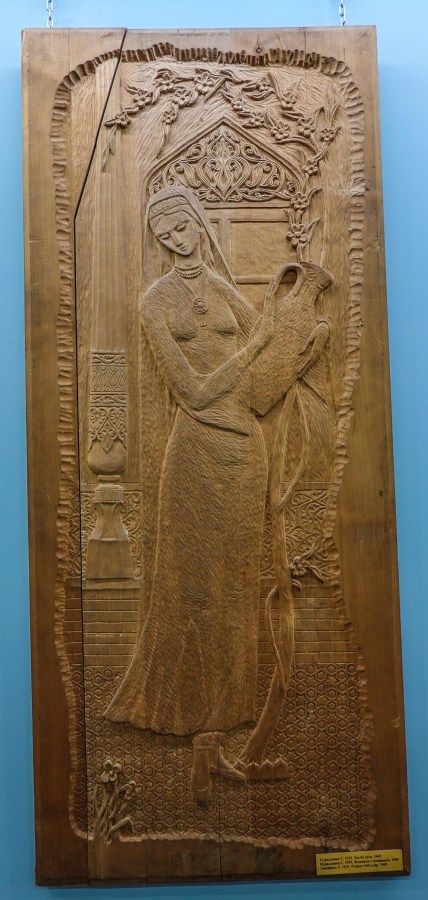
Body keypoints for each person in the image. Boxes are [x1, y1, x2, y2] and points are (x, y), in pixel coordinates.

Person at [104, 186, 328, 801]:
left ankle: (212, 750)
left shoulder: (225, 290)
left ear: (198, 224)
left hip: (245, 453)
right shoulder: (155, 301)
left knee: (233, 597)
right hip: (196, 456)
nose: (177, 240)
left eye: (183, 226)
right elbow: (196, 393)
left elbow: (263, 376)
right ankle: (187, 730)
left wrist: (306, 342)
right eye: (164, 234)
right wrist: (255, 347)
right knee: (193, 594)